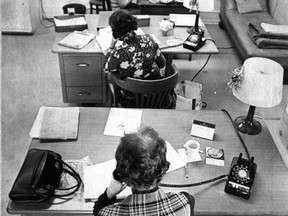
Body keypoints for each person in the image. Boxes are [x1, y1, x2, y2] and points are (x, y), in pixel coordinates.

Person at [93, 126, 195, 216]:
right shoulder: (185, 201)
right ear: (163, 169)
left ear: (123, 176)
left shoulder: (107, 213)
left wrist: (109, 193)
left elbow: (98, 211)